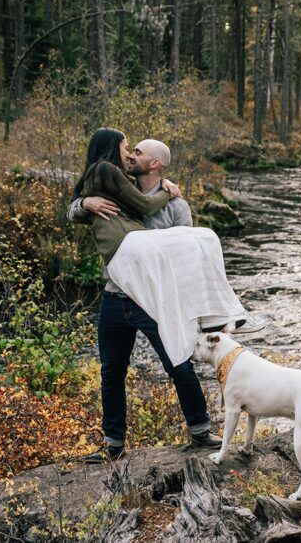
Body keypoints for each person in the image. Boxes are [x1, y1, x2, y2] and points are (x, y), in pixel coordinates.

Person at [70, 130, 234, 463]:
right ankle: (113, 443)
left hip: (154, 302)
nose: (130, 156)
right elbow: (72, 210)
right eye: (128, 151)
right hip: (115, 297)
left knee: (179, 363)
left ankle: (200, 429)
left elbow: (188, 258)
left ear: (154, 164)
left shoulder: (176, 205)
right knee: (111, 372)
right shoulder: (113, 192)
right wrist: (84, 203)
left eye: (137, 153)